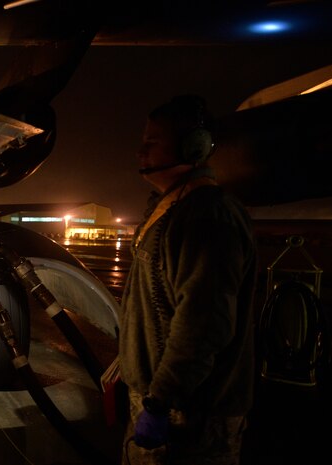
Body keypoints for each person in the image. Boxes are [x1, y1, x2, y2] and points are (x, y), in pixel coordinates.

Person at [118, 94, 257, 465]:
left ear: (192, 147)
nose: (139, 152)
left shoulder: (207, 218)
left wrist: (161, 402)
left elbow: (202, 326)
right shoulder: (174, 208)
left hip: (189, 420)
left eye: (151, 143)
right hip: (162, 404)